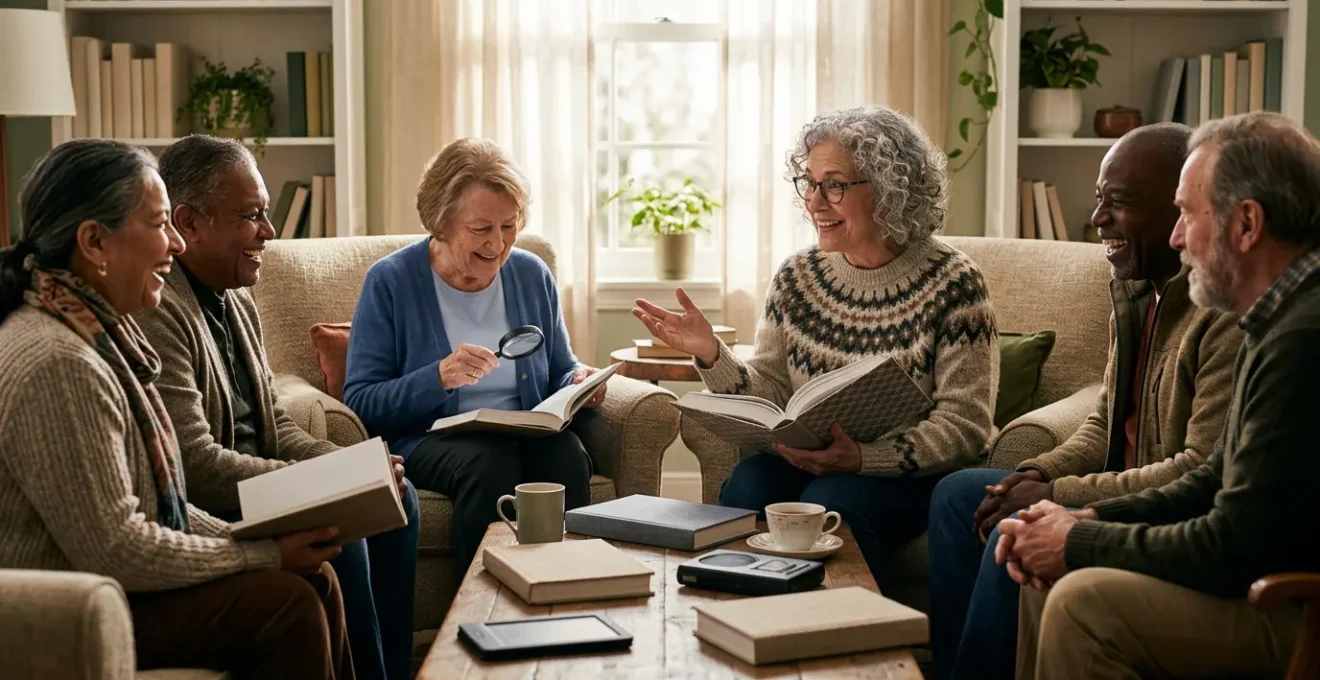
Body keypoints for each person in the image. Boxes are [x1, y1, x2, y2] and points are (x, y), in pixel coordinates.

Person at [0, 139, 354, 679]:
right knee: (288, 603)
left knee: (316, 578)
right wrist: (263, 554)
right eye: (159, 224)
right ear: (95, 241)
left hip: (108, 585)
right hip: (74, 607)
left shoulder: (96, 335)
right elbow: (116, 547)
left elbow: (162, 502)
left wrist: (260, 540)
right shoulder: (61, 362)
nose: (173, 245)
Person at [999, 111, 1319, 679]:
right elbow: (1212, 480)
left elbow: (1232, 545)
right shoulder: (1273, 318)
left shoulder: (1302, 339)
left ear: (1246, 224)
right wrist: (1083, 514)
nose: (1176, 237)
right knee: (1050, 576)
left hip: (1297, 608)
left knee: (1082, 604)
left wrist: (1082, 540)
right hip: (1261, 580)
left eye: (1188, 214)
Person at [924, 123, 1244, 680]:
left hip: (1157, 509)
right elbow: (1104, 420)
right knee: (959, 494)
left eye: (1118, 204)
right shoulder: (1137, 289)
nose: (1097, 220)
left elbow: (1198, 471)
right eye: (1100, 200)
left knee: (1014, 532)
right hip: (1118, 487)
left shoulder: (1222, 318)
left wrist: (1058, 493)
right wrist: (1035, 470)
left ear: (1179, 212)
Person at [634, 106, 998, 584]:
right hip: (817, 466)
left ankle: (856, 639)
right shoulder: (796, 277)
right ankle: (743, 617)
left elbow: (965, 426)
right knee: (750, 481)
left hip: (908, 477)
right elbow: (772, 395)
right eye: (809, 183)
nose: (814, 202)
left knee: (840, 500)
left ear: (890, 191)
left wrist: (865, 459)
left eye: (835, 185)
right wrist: (710, 355)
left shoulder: (954, 283)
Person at [133, 135, 420, 680]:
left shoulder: (238, 295)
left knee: (399, 505)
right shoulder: (159, 308)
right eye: (252, 216)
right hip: (224, 502)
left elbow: (276, 421)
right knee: (346, 540)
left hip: (268, 485)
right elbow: (194, 463)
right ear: (190, 223)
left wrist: (347, 466)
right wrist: (321, 481)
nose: (269, 233)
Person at [343, 137, 606, 568]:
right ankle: (480, 612)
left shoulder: (530, 274)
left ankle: (566, 589)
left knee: (568, 455)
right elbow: (361, 402)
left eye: (509, 225)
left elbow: (560, 366)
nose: (499, 244)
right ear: (441, 224)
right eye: (481, 229)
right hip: (430, 439)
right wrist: (439, 376)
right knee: (488, 462)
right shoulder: (390, 282)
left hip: (524, 431)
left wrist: (577, 381)